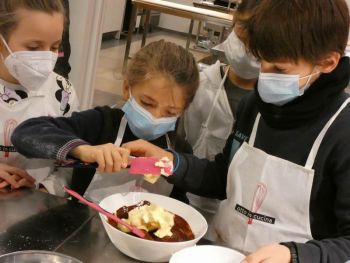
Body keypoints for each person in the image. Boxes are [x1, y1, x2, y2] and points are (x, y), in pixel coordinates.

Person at [122, 0, 350, 262]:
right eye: (262, 62)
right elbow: (223, 178)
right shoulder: (254, 107)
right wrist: (170, 163)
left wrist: (294, 255)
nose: (265, 75)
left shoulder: (342, 131)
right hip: (226, 252)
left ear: (328, 62)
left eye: (280, 69)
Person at [11, 39, 199, 202]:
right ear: (127, 89)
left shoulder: (180, 152)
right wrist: (84, 150)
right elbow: (26, 134)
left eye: (170, 112)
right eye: (147, 103)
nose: (155, 117)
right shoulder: (101, 123)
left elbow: (179, 205)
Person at [181, 0, 260, 241]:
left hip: (241, 221)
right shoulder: (202, 83)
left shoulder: (269, 103)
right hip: (188, 201)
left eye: (254, 34)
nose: (245, 41)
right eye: (241, 28)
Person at [0, 0, 79, 195]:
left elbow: (71, 162)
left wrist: (44, 189)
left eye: (54, 47)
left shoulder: (64, 93)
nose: (45, 59)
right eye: (34, 47)